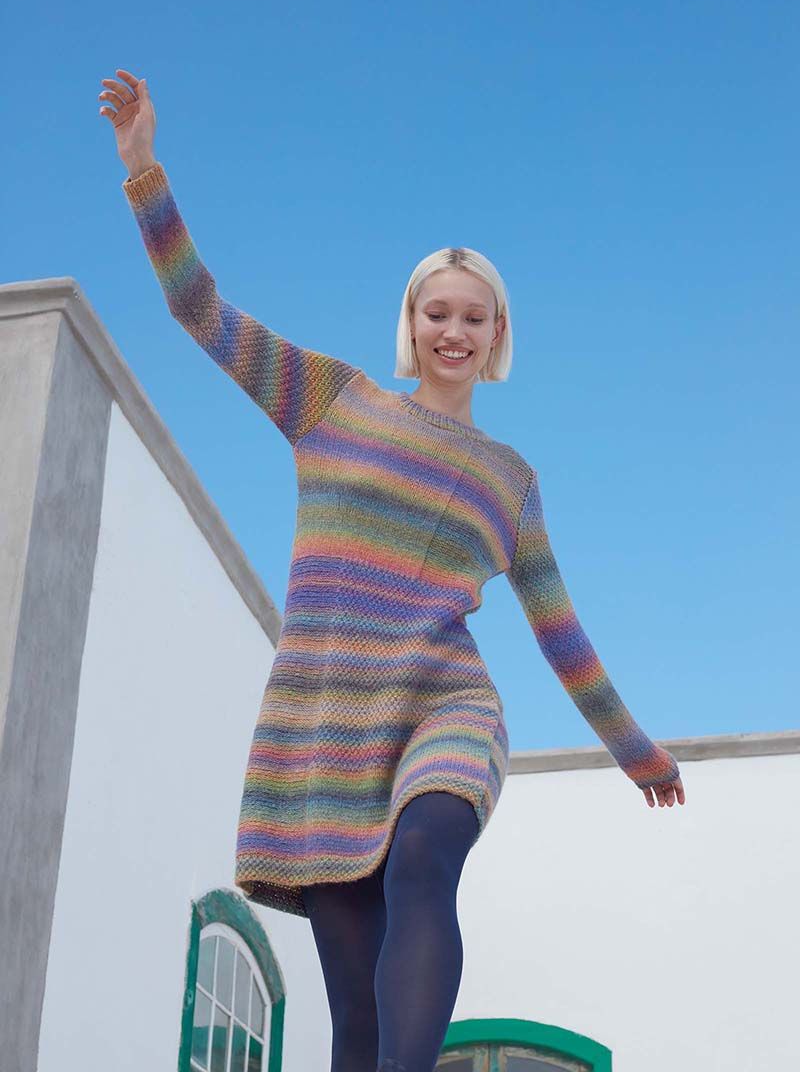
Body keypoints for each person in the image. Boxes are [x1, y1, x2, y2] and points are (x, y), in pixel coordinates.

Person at [99, 68, 686, 1072]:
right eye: (436, 312)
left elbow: (563, 639)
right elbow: (201, 311)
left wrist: (637, 753)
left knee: (422, 860)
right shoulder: (331, 400)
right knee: (357, 1027)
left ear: (497, 337)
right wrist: (145, 170)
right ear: (410, 323)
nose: (454, 331)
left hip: (447, 708)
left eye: (475, 317)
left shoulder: (510, 481)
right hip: (328, 729)